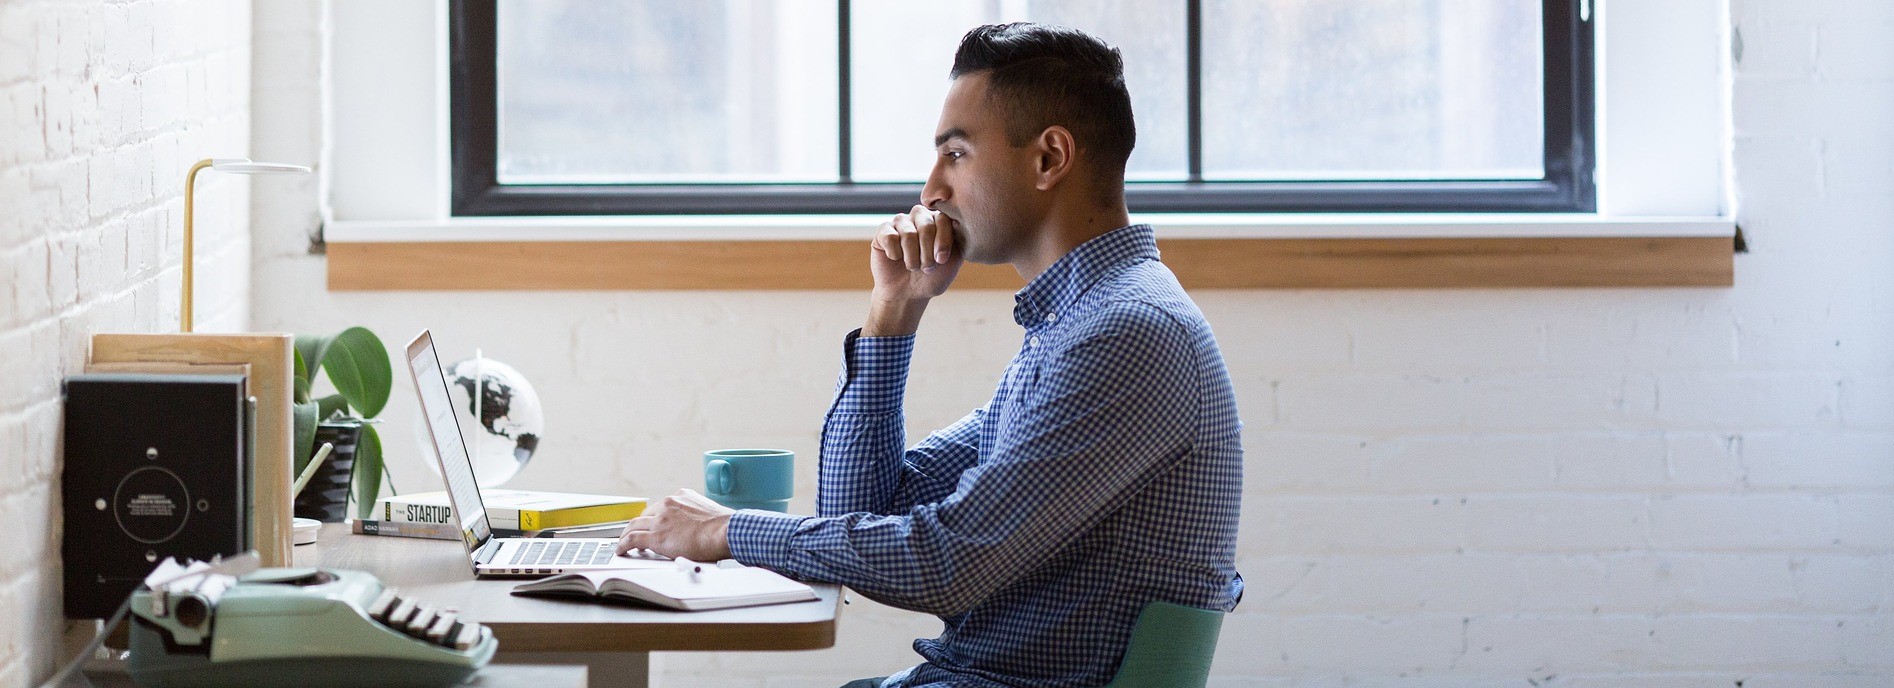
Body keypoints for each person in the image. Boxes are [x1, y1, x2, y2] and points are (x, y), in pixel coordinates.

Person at [617, 22, 1243, 688]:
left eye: (957, 154)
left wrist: (728, 531)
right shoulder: (1075, 327)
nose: (930, 191)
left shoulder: (1125, 335)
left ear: (1049, 158)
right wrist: (895, 312)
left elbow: (947, 564)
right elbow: (860, 511)